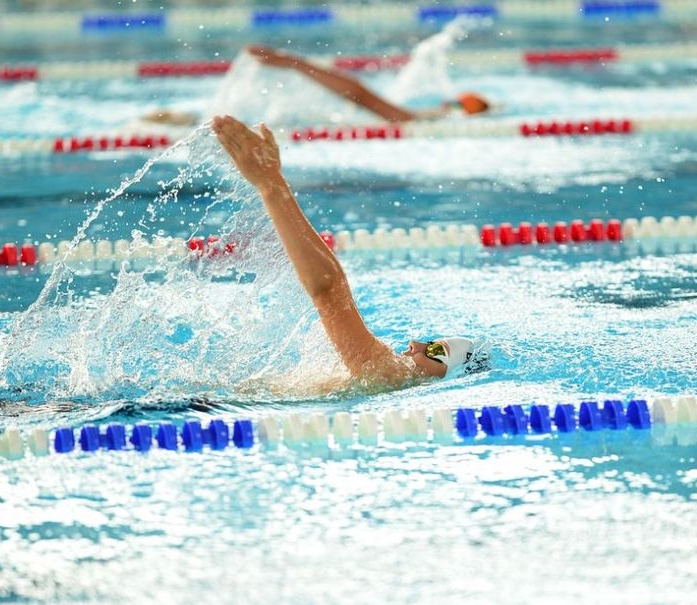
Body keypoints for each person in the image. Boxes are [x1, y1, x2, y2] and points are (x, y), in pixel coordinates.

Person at [212, 114, 486, 388]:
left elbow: (329, 289)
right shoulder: (387, 380)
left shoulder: (389, 374)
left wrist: (270, 183)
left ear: (446, 377)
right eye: (431, 343)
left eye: (436, 352)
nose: (415, 344)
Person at [148, 45, 491, 127]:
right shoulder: (425, 116)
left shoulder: (415, 119)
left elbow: (358, 94)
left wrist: (293, 62)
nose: (453, 102)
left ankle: (180, 119)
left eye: (461, 103)